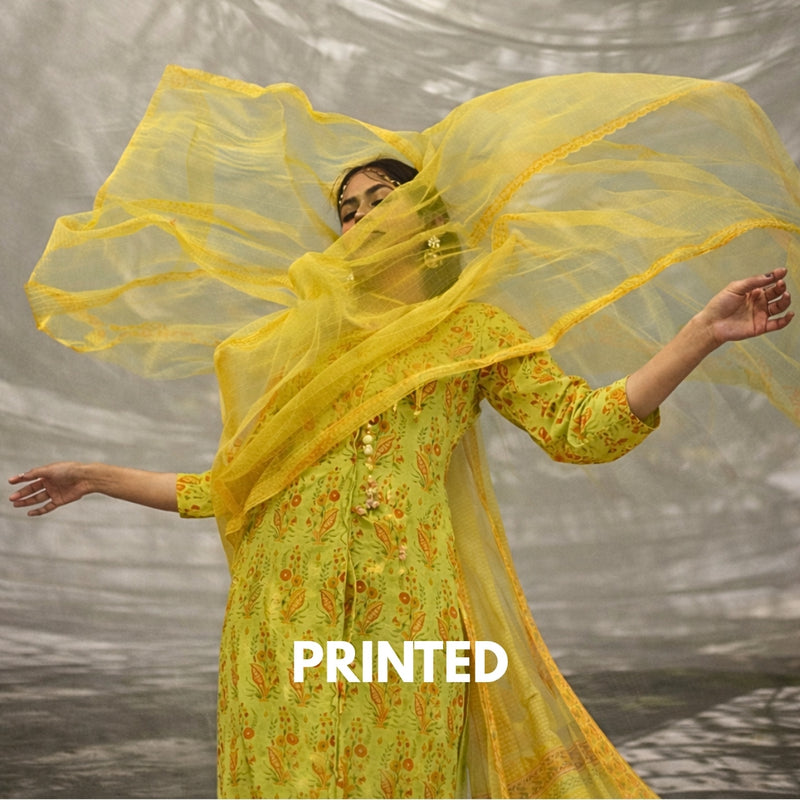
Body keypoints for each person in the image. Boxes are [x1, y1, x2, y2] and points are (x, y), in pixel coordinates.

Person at [9, 67, 800, 797]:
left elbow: (580, 429)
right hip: (284, 611)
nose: (358, 217)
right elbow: (233, 488)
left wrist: (699, 334)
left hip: (407, 612)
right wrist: (100, 477)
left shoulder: (470, 331)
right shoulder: (305, 348)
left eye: (378, 198)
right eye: (346, 210)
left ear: (426, 218)